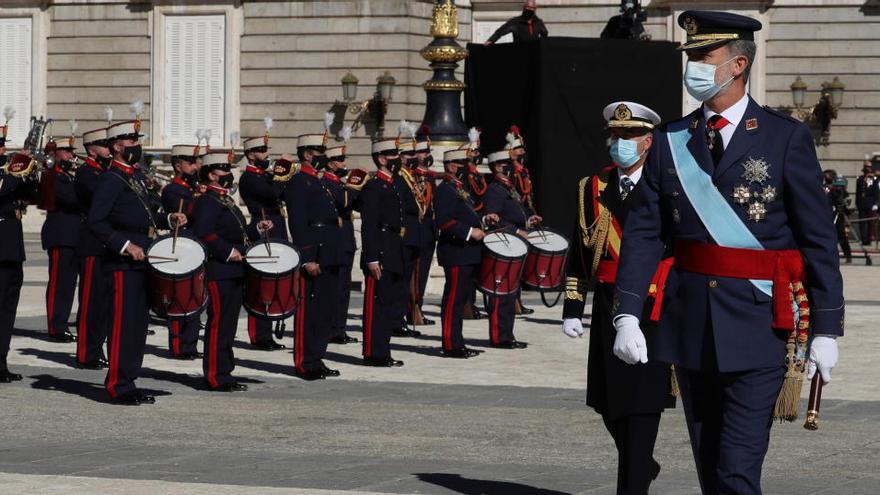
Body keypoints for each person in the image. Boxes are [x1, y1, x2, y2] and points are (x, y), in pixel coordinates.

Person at [612, 12, 843, 494]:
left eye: (703, 56)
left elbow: (817, 237)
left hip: (761, 323)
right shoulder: (671, 140)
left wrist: (827, 326)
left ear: (738, 64)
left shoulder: (784, 137)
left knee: (737, 469)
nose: (692, 65)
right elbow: (644, 233)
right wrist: (627, 314)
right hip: (689, 323)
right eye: (691, 55)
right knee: (709, 462)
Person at [562, 101, 675, 494]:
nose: (620, 142)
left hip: (654, 304)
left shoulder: (667, 185)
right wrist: (573, 307)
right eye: (615, 135)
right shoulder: (592, 188)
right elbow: (579, 250)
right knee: (609, 406)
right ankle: (643, 463)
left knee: (642, 409)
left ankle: (634, 479)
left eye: (629, 136)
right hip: (609, 303)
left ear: (648, 142)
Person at [88, 120, 187, 405]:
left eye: (136, 142)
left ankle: (129, 380)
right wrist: (124, 245)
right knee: (122, 324)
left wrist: (169, 219)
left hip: (145, 258)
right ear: (117, 147)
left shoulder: (135, 177)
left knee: (137, 324)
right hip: (122, 263)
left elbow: (144, 217)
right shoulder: (111, 178)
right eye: (131, 143)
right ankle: (117, 385)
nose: (136, 147)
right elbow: (96, 221)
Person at [191, 151, 271, 391]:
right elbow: (205, 234)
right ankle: (215, 375)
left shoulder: (225, 200)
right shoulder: (207, 201)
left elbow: (240, 234)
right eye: (224, 170)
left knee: (229, 324)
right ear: (212, 175)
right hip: (220, 270)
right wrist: (227, 252)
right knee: (219, 324)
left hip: (234, 270)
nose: (229, 174)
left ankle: (225, 371)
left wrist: (257, 228)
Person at [285, 131, 345, 380]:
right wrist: (308, 257)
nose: (324, 156)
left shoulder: (319, 181)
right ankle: (304, 361)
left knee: (325, 310)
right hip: (315, 251)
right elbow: (298, 223)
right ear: (308, 155)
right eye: (320, 152)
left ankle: (317, 357)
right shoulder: (299, 181)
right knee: (309, 311)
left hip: (330, 250)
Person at [433, 149, 498, 358]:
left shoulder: (459, 188)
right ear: (452, 165)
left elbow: (469, 214)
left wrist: (485, 220)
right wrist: (471, 233)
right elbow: (444, 221)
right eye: (463, 164)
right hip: (456, 251)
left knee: (460, 299)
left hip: (467, 252)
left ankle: (457, 342)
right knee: (453, 299)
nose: (467, 168)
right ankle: (451, 345)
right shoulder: (445, 190)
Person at [482, 150, 541, 348]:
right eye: (506, 163)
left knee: (510, 292)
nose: (511, 166)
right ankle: (500, 337)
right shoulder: (494, 190)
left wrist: (528, 222)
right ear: (497, 166)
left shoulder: (508, 188)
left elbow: (513, 213)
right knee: (501, 293)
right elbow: (494, 220)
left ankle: (507, 335)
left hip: (514, 246)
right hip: (503, 247)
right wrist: (517, 230)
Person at [359, 139, 406, 367]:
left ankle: (383, 350)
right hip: (380, 250)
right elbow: (369, 225)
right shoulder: (374, 186)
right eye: (392, 155)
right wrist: (372, 257)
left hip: (393, 247)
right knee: (376, 305)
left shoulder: (392, 184)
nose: (397, 159)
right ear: (381, 159)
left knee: (388, 304)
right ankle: (373, 352)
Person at [239, 132, 287, 351]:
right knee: (261, 284)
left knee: (275, 282)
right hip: (263, 228)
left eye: (266, 150)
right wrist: (282, 170)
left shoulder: (264, 175)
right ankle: (259, 335)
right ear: (250, 155)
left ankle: (268, 332)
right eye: (261, 151)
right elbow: (272, 194)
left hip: (276, 228)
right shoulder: (249, 178)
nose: (266, 154)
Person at [160, 144, 203, 359]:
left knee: (195, 296)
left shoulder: (192, 188)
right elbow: (190, 212)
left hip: (195, 246)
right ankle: (179, 346)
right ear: (178, 165)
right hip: (181, 247)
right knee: (179, 298)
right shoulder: (172, 190)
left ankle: (191, 344)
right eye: (191, 163)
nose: (196, 166)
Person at [74, 127, 112, 369]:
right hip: (91, 244)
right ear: (91, 148)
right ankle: (87, 353)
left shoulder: (105, 173)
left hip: (107, 245)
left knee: (105, 303)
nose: (108, 149)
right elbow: (101, 198)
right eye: (103, 145)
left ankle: (97, 348)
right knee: (91, 303)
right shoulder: (86, 174)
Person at [40, 135, 81, 343]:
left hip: (73, 237)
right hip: (60, 236)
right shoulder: (52, 176)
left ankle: (62, 323)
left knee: (69, 285)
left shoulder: (68, 175)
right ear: (55, 154)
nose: (71, 155)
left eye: (72, 152)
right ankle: (56, 327)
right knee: (59, 285)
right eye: (67, 151)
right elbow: (72, 198)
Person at [0, 139, 33, 383]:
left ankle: (1, 361)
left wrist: (31, 174)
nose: (3, 150)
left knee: (8, 308)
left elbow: (32, 195)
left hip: (12, 248)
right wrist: (17, 168)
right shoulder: (7, 175)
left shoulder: (8, 172)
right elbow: (4, 188)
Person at [323, 130, 359, 345]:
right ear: (330, 164)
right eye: (339, 160)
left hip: (346, 239)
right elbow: (344, 202)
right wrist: (354, 185)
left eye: (344, 158)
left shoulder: (338, 182)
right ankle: (332, 328)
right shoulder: (328, 183)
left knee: (344, 288)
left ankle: (339, 328)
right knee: (335, 288)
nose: (344, 162)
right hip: (335, 240)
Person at [505, 126, 536, 315]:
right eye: (519, 149)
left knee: (521, 265)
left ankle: (518, 299)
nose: (523, 152)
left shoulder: (523, 171)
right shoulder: (511, 173)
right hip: (513, 223)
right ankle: (513, 301)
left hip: (523, 220)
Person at [824, 169, 852, 263]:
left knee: (842, 236)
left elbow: (845, 201)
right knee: (829, 236)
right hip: (828, 215)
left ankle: (848, 255)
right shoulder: (826, 189)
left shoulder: (839, 190)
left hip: (838, 215)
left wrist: (845, 206)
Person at [855, 163, 878, 246]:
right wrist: (857, 203)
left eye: (869, 167)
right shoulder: (860, 179)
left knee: (870, 223)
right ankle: (863, 239)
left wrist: (876, 203)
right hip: (862, 204)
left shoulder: (874, 179)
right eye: (866, 167)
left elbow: (876, 193)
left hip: (870, 203)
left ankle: (869, 240)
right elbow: (857, 192)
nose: (867, 169)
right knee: (862, 223)